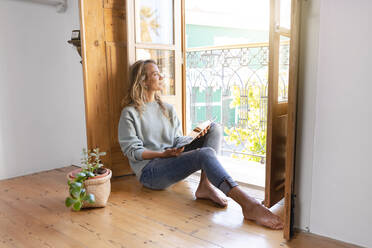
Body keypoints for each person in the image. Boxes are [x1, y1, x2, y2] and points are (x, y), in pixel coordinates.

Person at [118, 59, 283, 230]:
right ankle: (249, 204)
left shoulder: (167, 109)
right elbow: (132, 151)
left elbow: (176, 140)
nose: (161, 76)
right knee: (205, 154)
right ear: (143, 81)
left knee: (214, 128)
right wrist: (163, 154)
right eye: (155, 74)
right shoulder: (130, 113)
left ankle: (205, 185)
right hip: (150, 172)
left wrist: (195, 136)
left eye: (160, 72)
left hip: (169, 160)